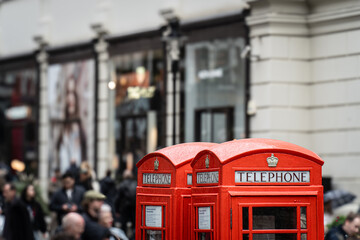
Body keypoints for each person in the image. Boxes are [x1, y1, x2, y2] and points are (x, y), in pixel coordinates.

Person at [114, 169, 136, 237]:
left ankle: (124, 237)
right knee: (134, 224)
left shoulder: (122, 184)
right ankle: (133, 237)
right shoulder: (136, 183)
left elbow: (117, 198)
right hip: (134, 208)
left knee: (123, 225)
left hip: (124, 208)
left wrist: (117, 210)